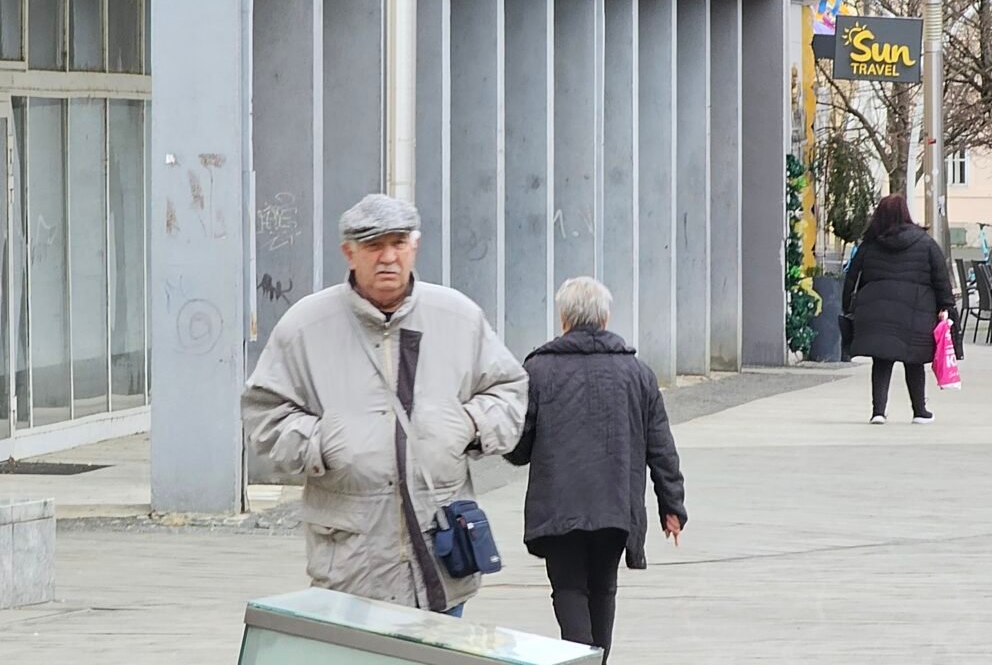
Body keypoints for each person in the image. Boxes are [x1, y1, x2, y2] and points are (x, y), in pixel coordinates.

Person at [242, 194, 528, 616]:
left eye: (398, 243)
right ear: (349, 253)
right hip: (352, 563)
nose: (388, 258)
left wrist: (468, 424)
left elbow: (510, 391)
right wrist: (322, 442)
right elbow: (264, 414)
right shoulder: (305, 326)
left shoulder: (458, 316)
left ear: (415, 246)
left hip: (441, 557)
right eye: (374, 246)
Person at [505, 277, 687, 664]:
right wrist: (671, 505)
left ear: (564, 320)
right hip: (615, 506)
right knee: (603, 588)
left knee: (568, 589)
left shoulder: (537, 371)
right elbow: (661, 446)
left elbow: (520, 447)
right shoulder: (637, 373)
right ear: (605, 319)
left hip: (559, 507)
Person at [842, 194, 960, 425]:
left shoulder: (870, 245)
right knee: (914, 361)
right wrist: (945, 305)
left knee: (881, 360)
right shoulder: (925, 243)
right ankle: (920, 411)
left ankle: (878, 412)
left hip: (877, 312)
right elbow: (940, 278)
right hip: (916, 311)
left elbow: (852, 277)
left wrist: (848, 306)